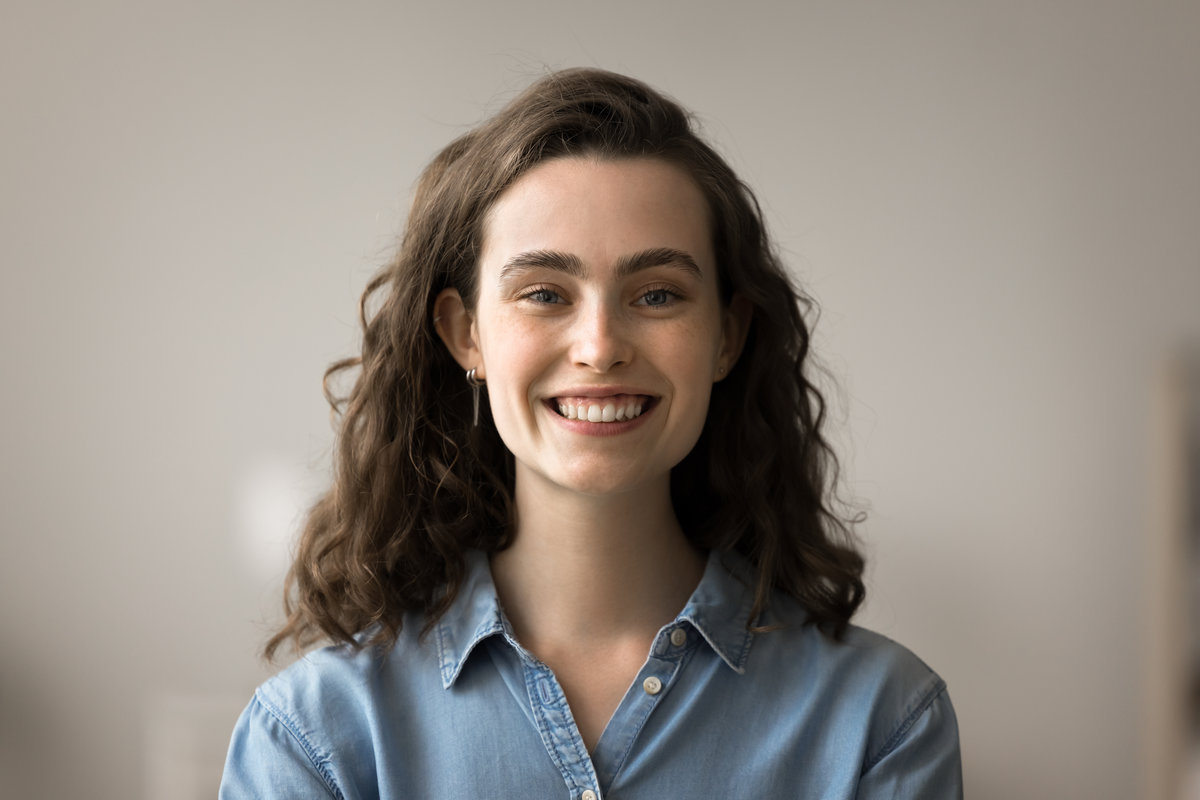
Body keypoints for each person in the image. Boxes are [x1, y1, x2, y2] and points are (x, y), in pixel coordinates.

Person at [220, 67, 962, 799]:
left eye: (658, 294)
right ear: (466, 334)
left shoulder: (882, 724)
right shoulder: (312, 738)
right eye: (544, 293)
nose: (600, 347)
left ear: (727, 337)